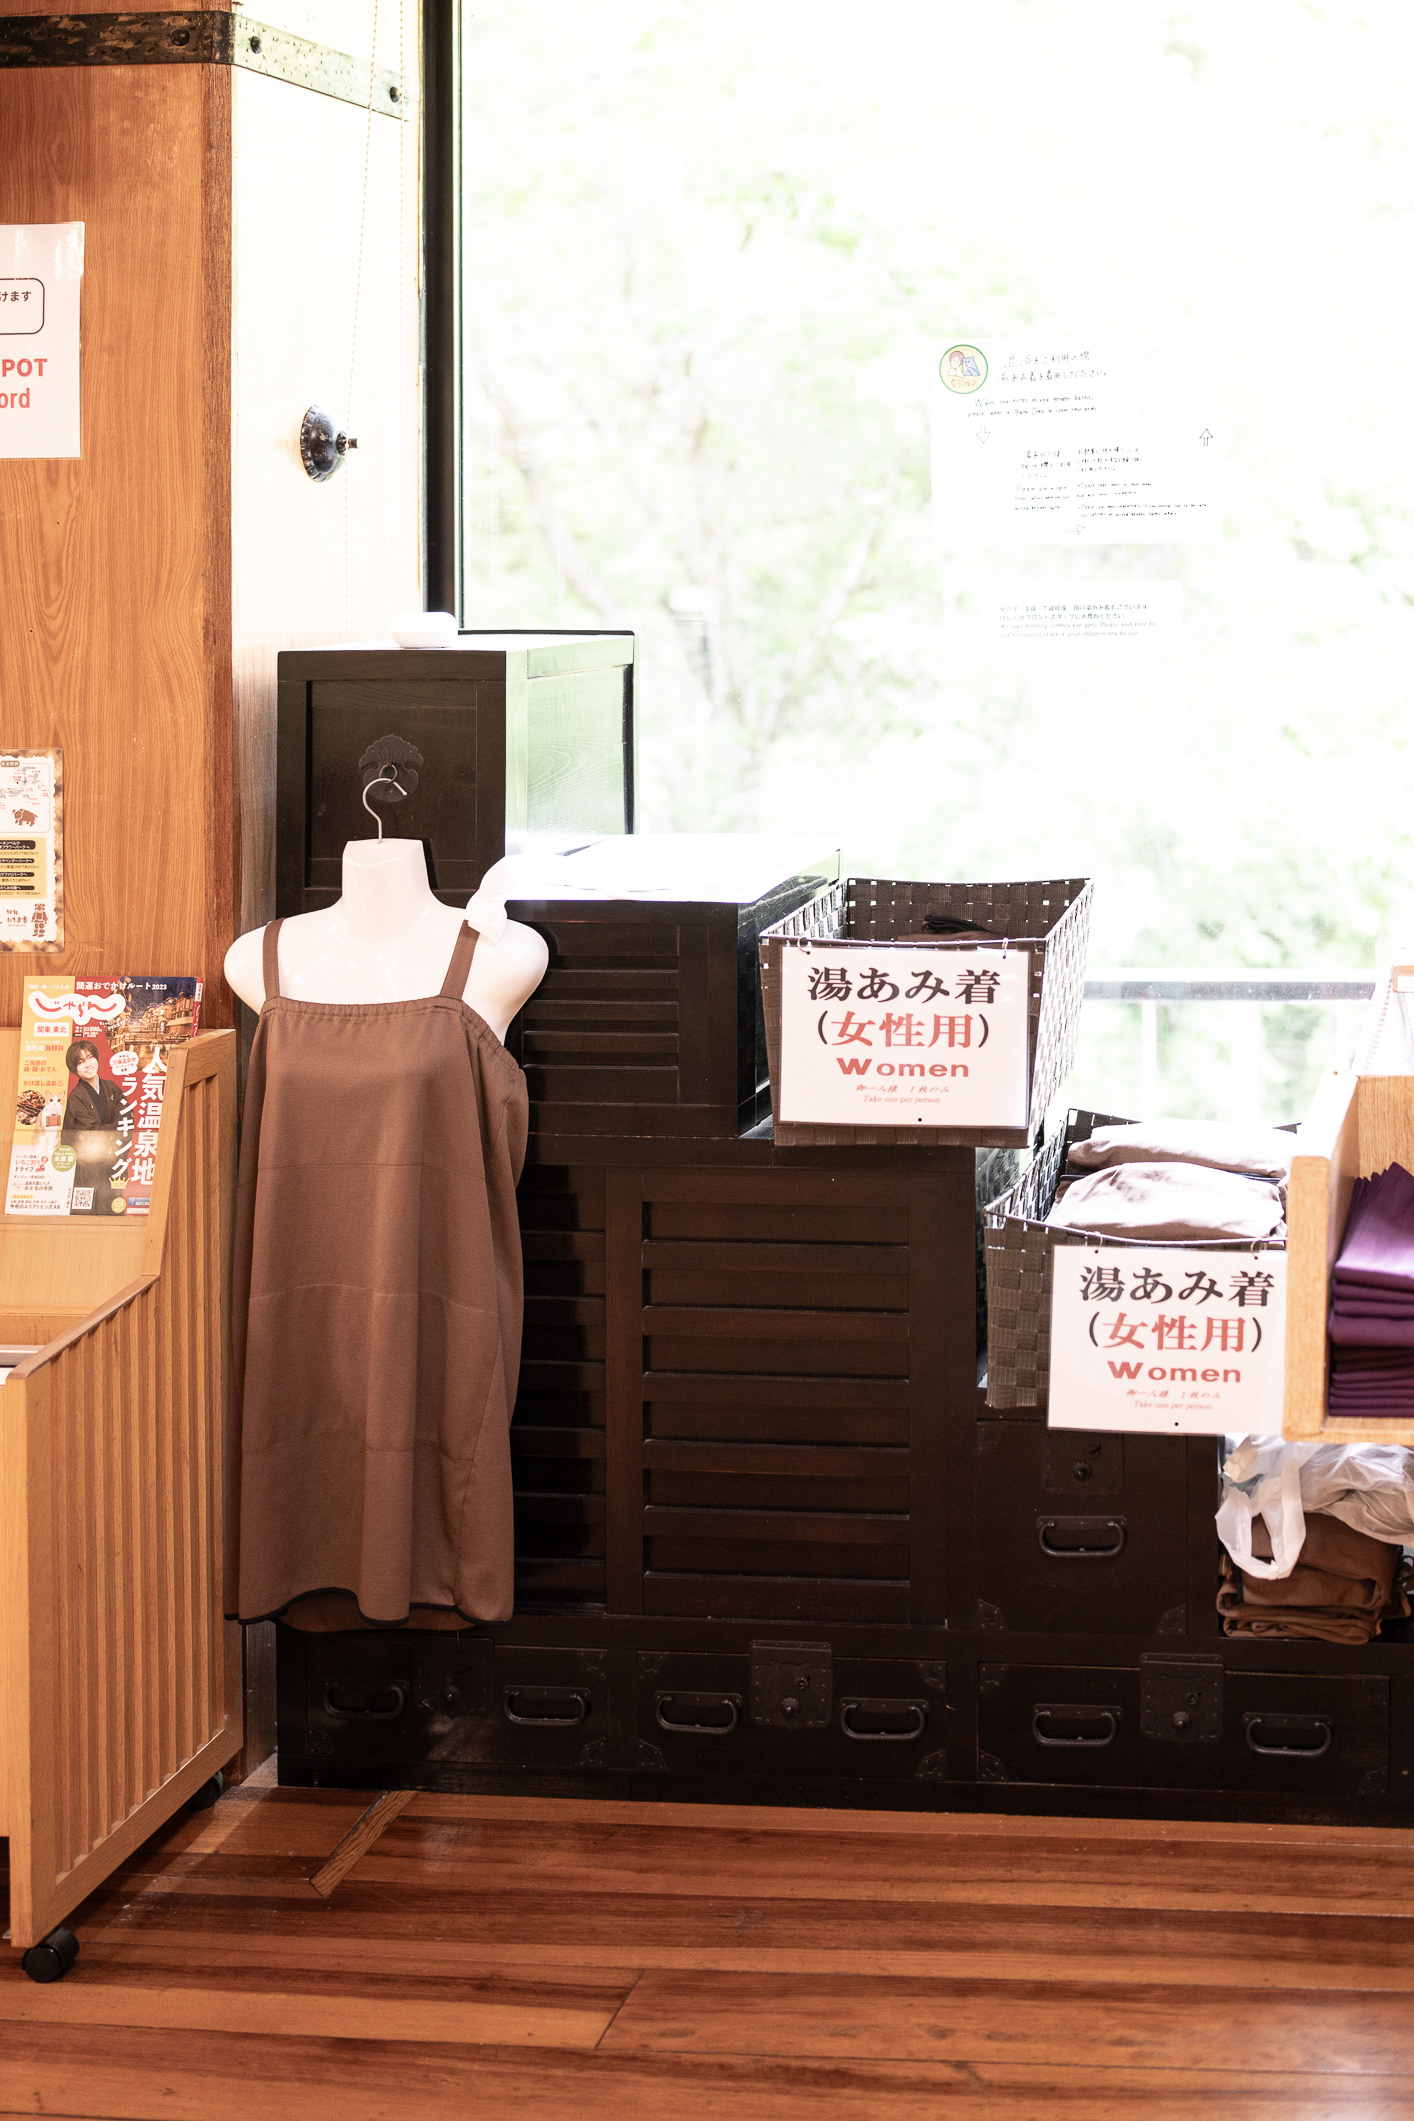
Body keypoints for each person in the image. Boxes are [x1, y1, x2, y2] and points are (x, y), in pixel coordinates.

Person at [61, 1038, 121, 1215]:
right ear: (74, 1068)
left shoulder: (111, 1087)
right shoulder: (76, 1097)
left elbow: (125, 1117)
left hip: (112, 1159)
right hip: (88, 1163)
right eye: (80, 1062)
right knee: (90, 1208)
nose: (88, 1064)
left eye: (90, 1057)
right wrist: (114, 1129)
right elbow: (92, 1132)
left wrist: (115, 1130)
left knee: (114, 1207)